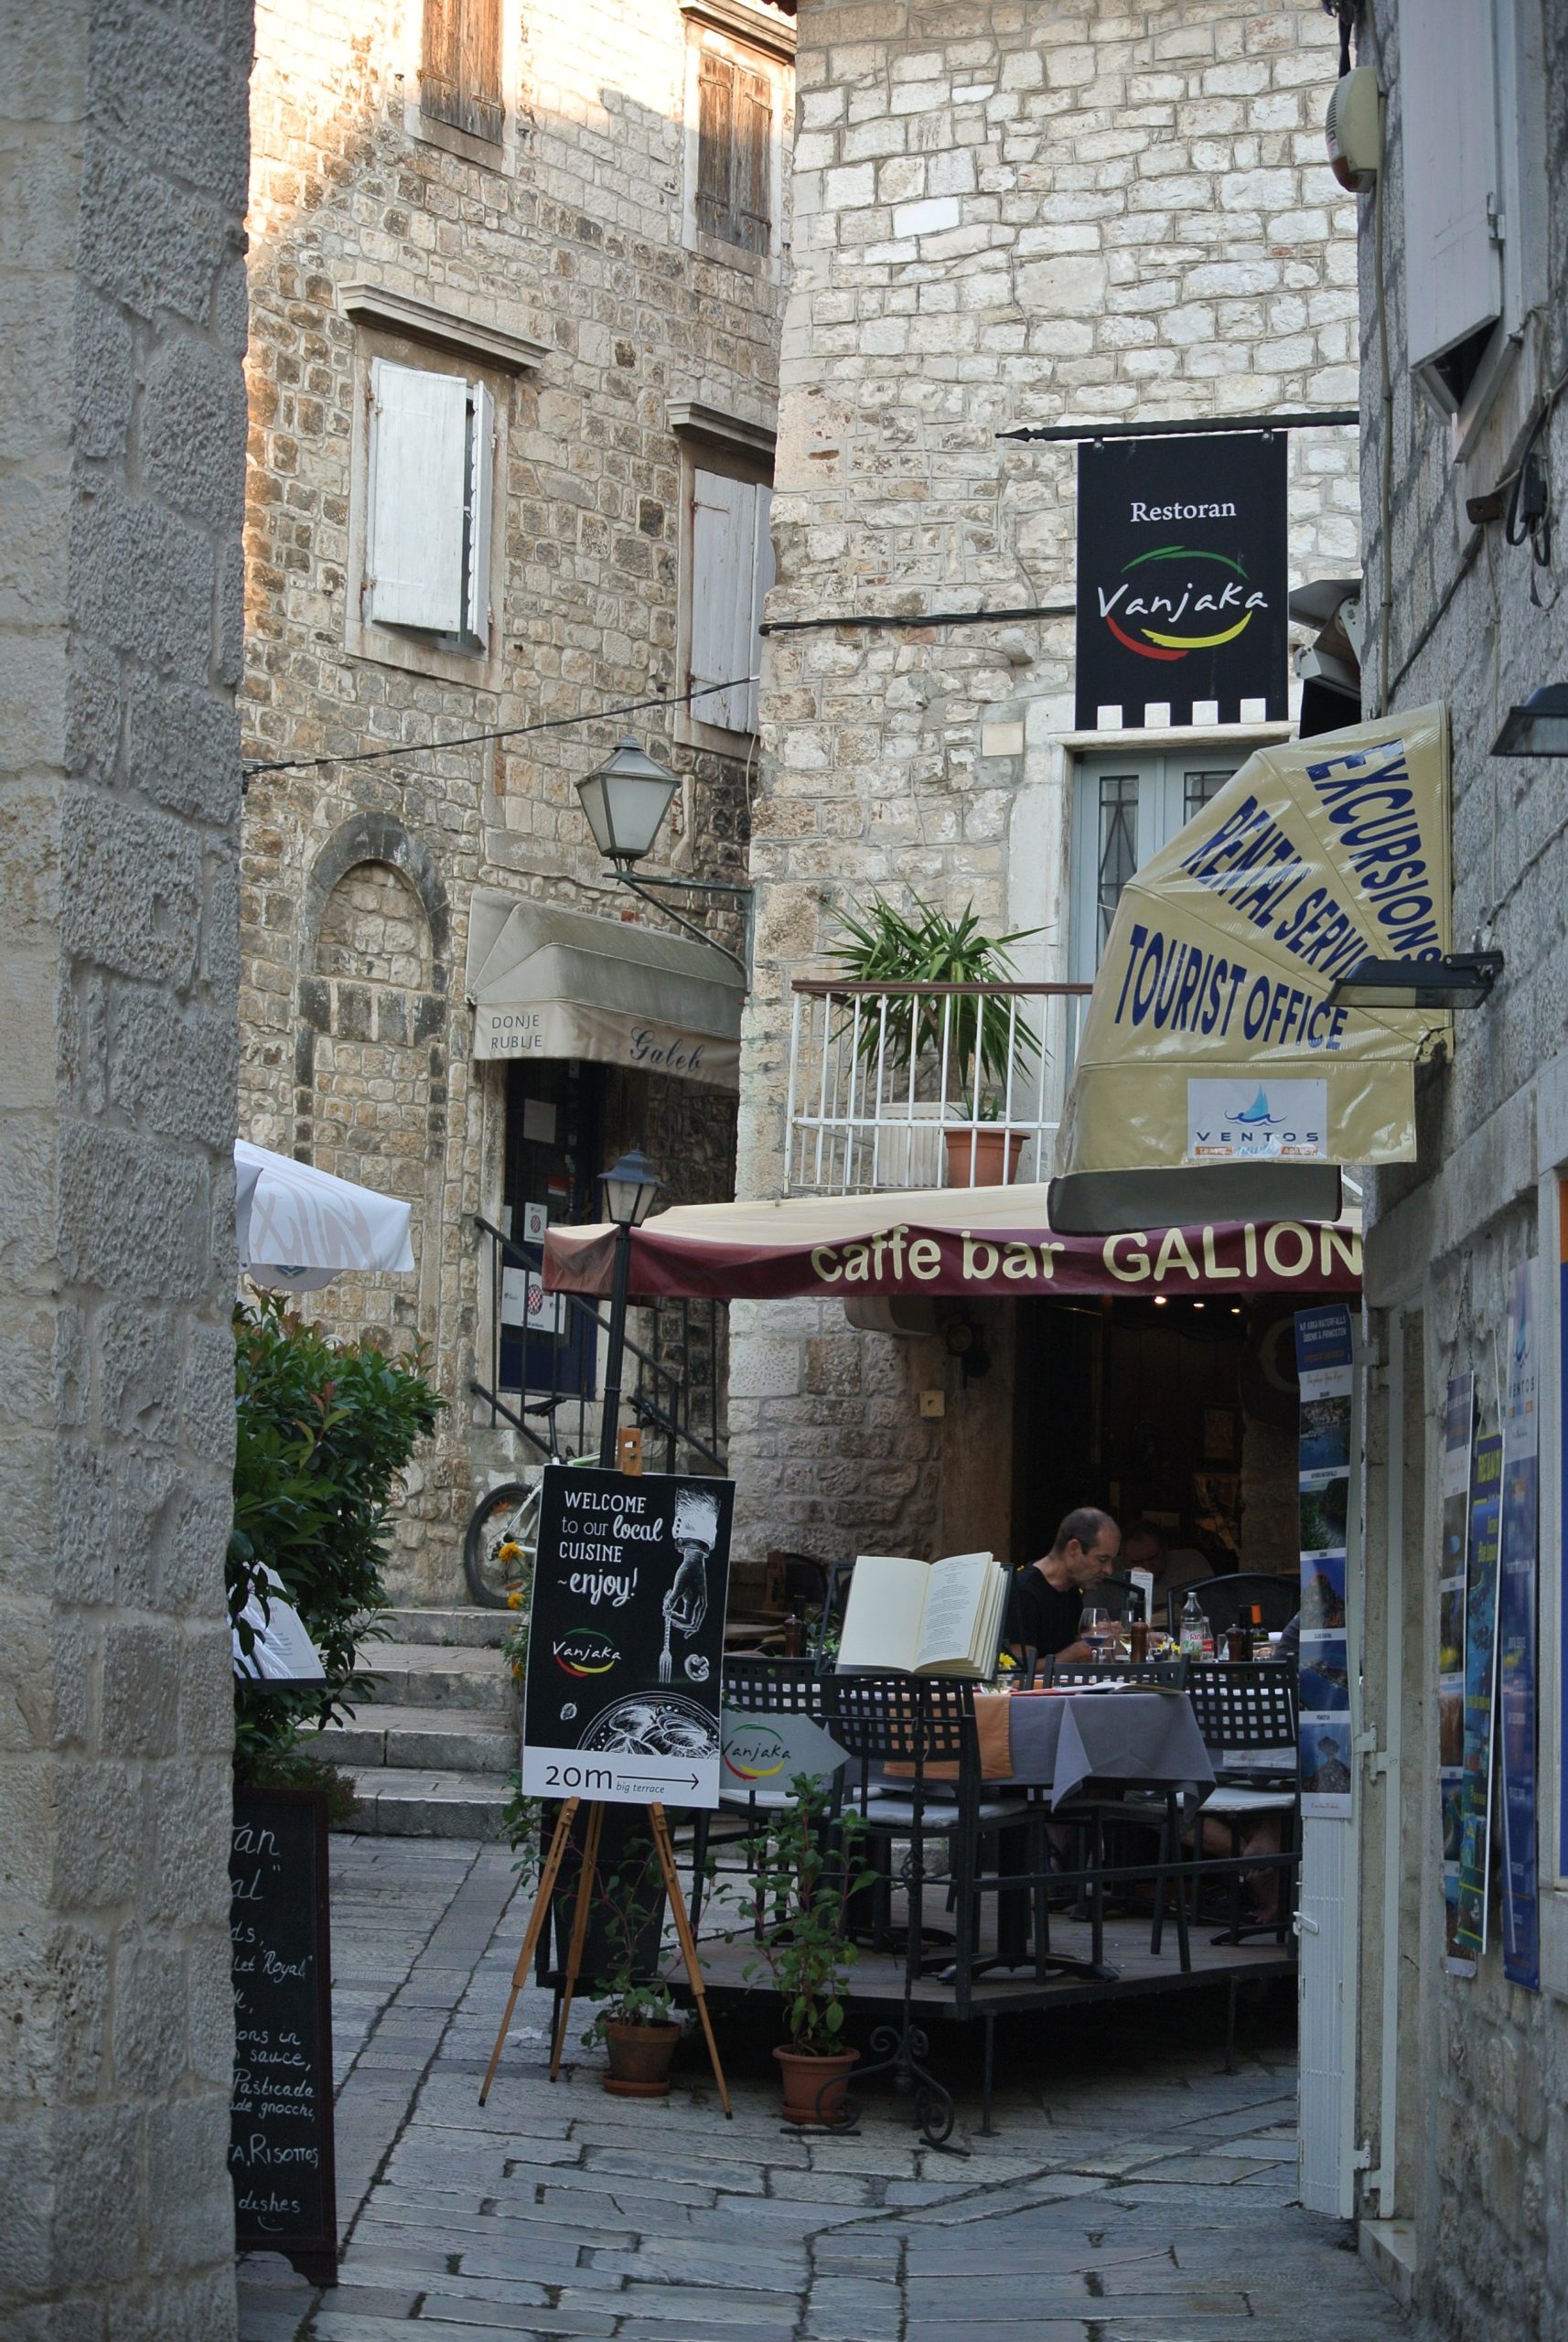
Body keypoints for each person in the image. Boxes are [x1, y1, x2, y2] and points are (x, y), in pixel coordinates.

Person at [1008, 1506, 1120, 1667]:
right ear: (1074, 1548)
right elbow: (1018, 1669)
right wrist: (1074, 1653)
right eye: (1102, 1559)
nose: (1109, 1570)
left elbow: (1065, 1643)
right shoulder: (1023, 1591)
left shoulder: (1070, 1589)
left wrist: (1098, 1635)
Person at [1120, 1519, 1213, 1612]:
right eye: (1137, 1562)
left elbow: (1213, 1603)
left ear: (1165, 1550)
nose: (1147, 1567)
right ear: (1124, 1559)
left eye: (1153, 1558)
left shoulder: (1191, 1564)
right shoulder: (1112, 1577)